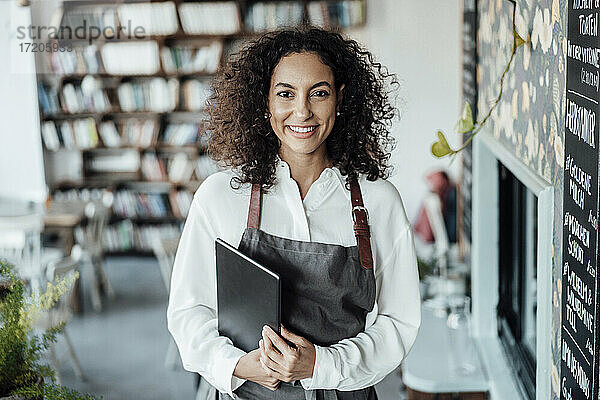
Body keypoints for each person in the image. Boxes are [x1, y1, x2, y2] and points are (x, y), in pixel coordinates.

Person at [167, 27, 421, 400]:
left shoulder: (378, 202)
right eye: (286, 93)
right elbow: (188, 311)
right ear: (266, 103)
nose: (302, 111)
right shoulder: (220, 196)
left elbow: (399, 323)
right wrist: (236, 365)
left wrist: (322, 364)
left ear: (340, 100)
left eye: (319, 93)